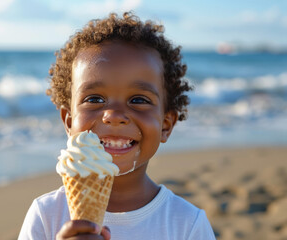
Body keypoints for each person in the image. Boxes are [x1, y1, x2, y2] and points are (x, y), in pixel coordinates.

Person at [18, 12, 216, 240]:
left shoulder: (187, 224)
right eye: (94, 99)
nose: (113, 115)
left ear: (166, 124)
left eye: (138, 100)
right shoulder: (46, 215)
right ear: (69, 121)